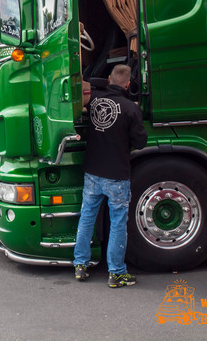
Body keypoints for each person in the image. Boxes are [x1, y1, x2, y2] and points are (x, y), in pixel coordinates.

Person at [73, 64, 148, 288]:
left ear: (108, 78)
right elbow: (140, 142)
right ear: (128, 85)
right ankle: (116, 273)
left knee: (87, 217)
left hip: (93, 172)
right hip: (116, 175)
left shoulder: (94, 100)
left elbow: (88, 91)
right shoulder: (130, 109)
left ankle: (80, 264)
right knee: (117, 224)